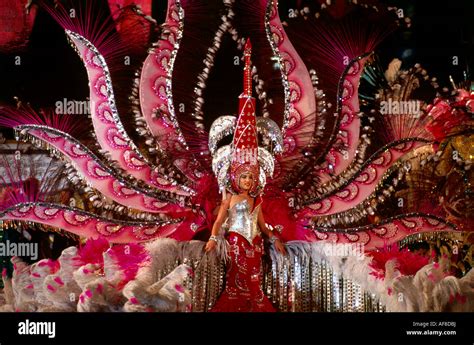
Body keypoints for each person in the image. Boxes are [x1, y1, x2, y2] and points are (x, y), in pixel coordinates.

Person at [204, 169, 286, 312]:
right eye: (244, 177)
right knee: (235, 282)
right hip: (236, 245)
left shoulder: (256, 200)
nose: (247, 180)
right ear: (237, 179)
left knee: (254, 283)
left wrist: (275, 240)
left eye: (250, 177)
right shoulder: (230, 197)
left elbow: (263, 227)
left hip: (255, 247)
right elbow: (218, 222)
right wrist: (213, 238)